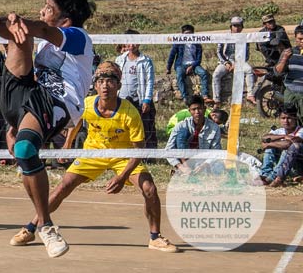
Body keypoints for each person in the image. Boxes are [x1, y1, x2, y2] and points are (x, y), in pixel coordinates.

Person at [0, 0, 96, 258]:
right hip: (26, 95)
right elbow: (37, 32)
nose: (42, 10)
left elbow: (45, 29)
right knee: (19, 37)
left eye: (48, 8)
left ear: (65, 20)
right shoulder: (46, 44)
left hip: (58, 101)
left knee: (26, 151)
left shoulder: (78, 36)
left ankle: (46, 226)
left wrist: (19, 22)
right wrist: (13, 126)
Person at [52, 62, 177, 252]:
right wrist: (68, 144)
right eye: (101, 81)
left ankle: (155, 237)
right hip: (93, 153)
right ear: (95, 86)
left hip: (125, 155)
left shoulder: (130, 113)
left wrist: (122, 176)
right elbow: (76, 123)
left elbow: (139, 150)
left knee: (149, 189)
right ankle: (32, 226)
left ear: (118, 86)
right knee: (63, 186)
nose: (105, 86)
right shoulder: (86, 104)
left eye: (110, 81)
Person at [115, 29, 158, 149]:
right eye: (129, 42)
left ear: (139, 43)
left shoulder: (145, 61)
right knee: (123, 127)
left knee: (144, 127)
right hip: (122, 100)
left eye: (134, 42)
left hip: (138, 100)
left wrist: (146, 100)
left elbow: (149, 81)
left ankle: (146, 154)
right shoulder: (120, 59)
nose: (131, 45)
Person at [165, 95, 222, 171]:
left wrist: (204, 165)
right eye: (194, 109)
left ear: (204, 109)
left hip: (203, 161)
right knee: (182, 132)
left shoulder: (214, 128)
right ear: (189, 111)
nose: (197, 112)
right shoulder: (181, 125)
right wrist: (180, 166)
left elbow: (216, 151)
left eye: (199, 109)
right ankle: (184, 168)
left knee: (220, 168)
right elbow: (168, 150)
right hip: (184, 161)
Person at [213, 17, 255, 107]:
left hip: (239, 61)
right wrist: (226, 63)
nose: (236, 28)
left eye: (239, 26)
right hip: (226, 61)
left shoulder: (244, 38)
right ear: (231, 27)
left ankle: (250, 94)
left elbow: (247, 55)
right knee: (216, 74)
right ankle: (216, 99)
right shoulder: (224, 37)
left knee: (249, 70)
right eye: (234, 26)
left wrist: (237, 63)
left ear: (242, 27)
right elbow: (219, 52)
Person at [166, 24, 210, 105]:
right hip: (181, 64)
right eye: (186, 34)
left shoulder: (197, 44)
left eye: (190, 33)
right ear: (182, 34)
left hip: (194, 64)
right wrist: (168, 68)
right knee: (179, 75)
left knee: (203, 73)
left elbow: (198, 59)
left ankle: (205, 95)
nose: (188, 36)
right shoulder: (178, 43)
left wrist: (192, 66)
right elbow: (172, 55)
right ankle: (185, 97)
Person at [259, 106, 302, 187]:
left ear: (295, 118)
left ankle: (272, 177)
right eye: (283, 118)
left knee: (289, 147)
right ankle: (265, 174)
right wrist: (283, 137)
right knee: (271, 147)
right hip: (281, 164)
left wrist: (268, 144)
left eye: (289, 118)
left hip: (295, 166)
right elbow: (264, 138)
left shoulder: (301, 131)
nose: (286, 121)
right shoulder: (279, 131)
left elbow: (288, 144)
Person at [273, 25, 303, 118]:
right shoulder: (289, 52)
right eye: (300, 39)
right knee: (291, 120)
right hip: (290, 93)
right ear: (295, 38)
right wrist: (285, 58)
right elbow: (277, 73)